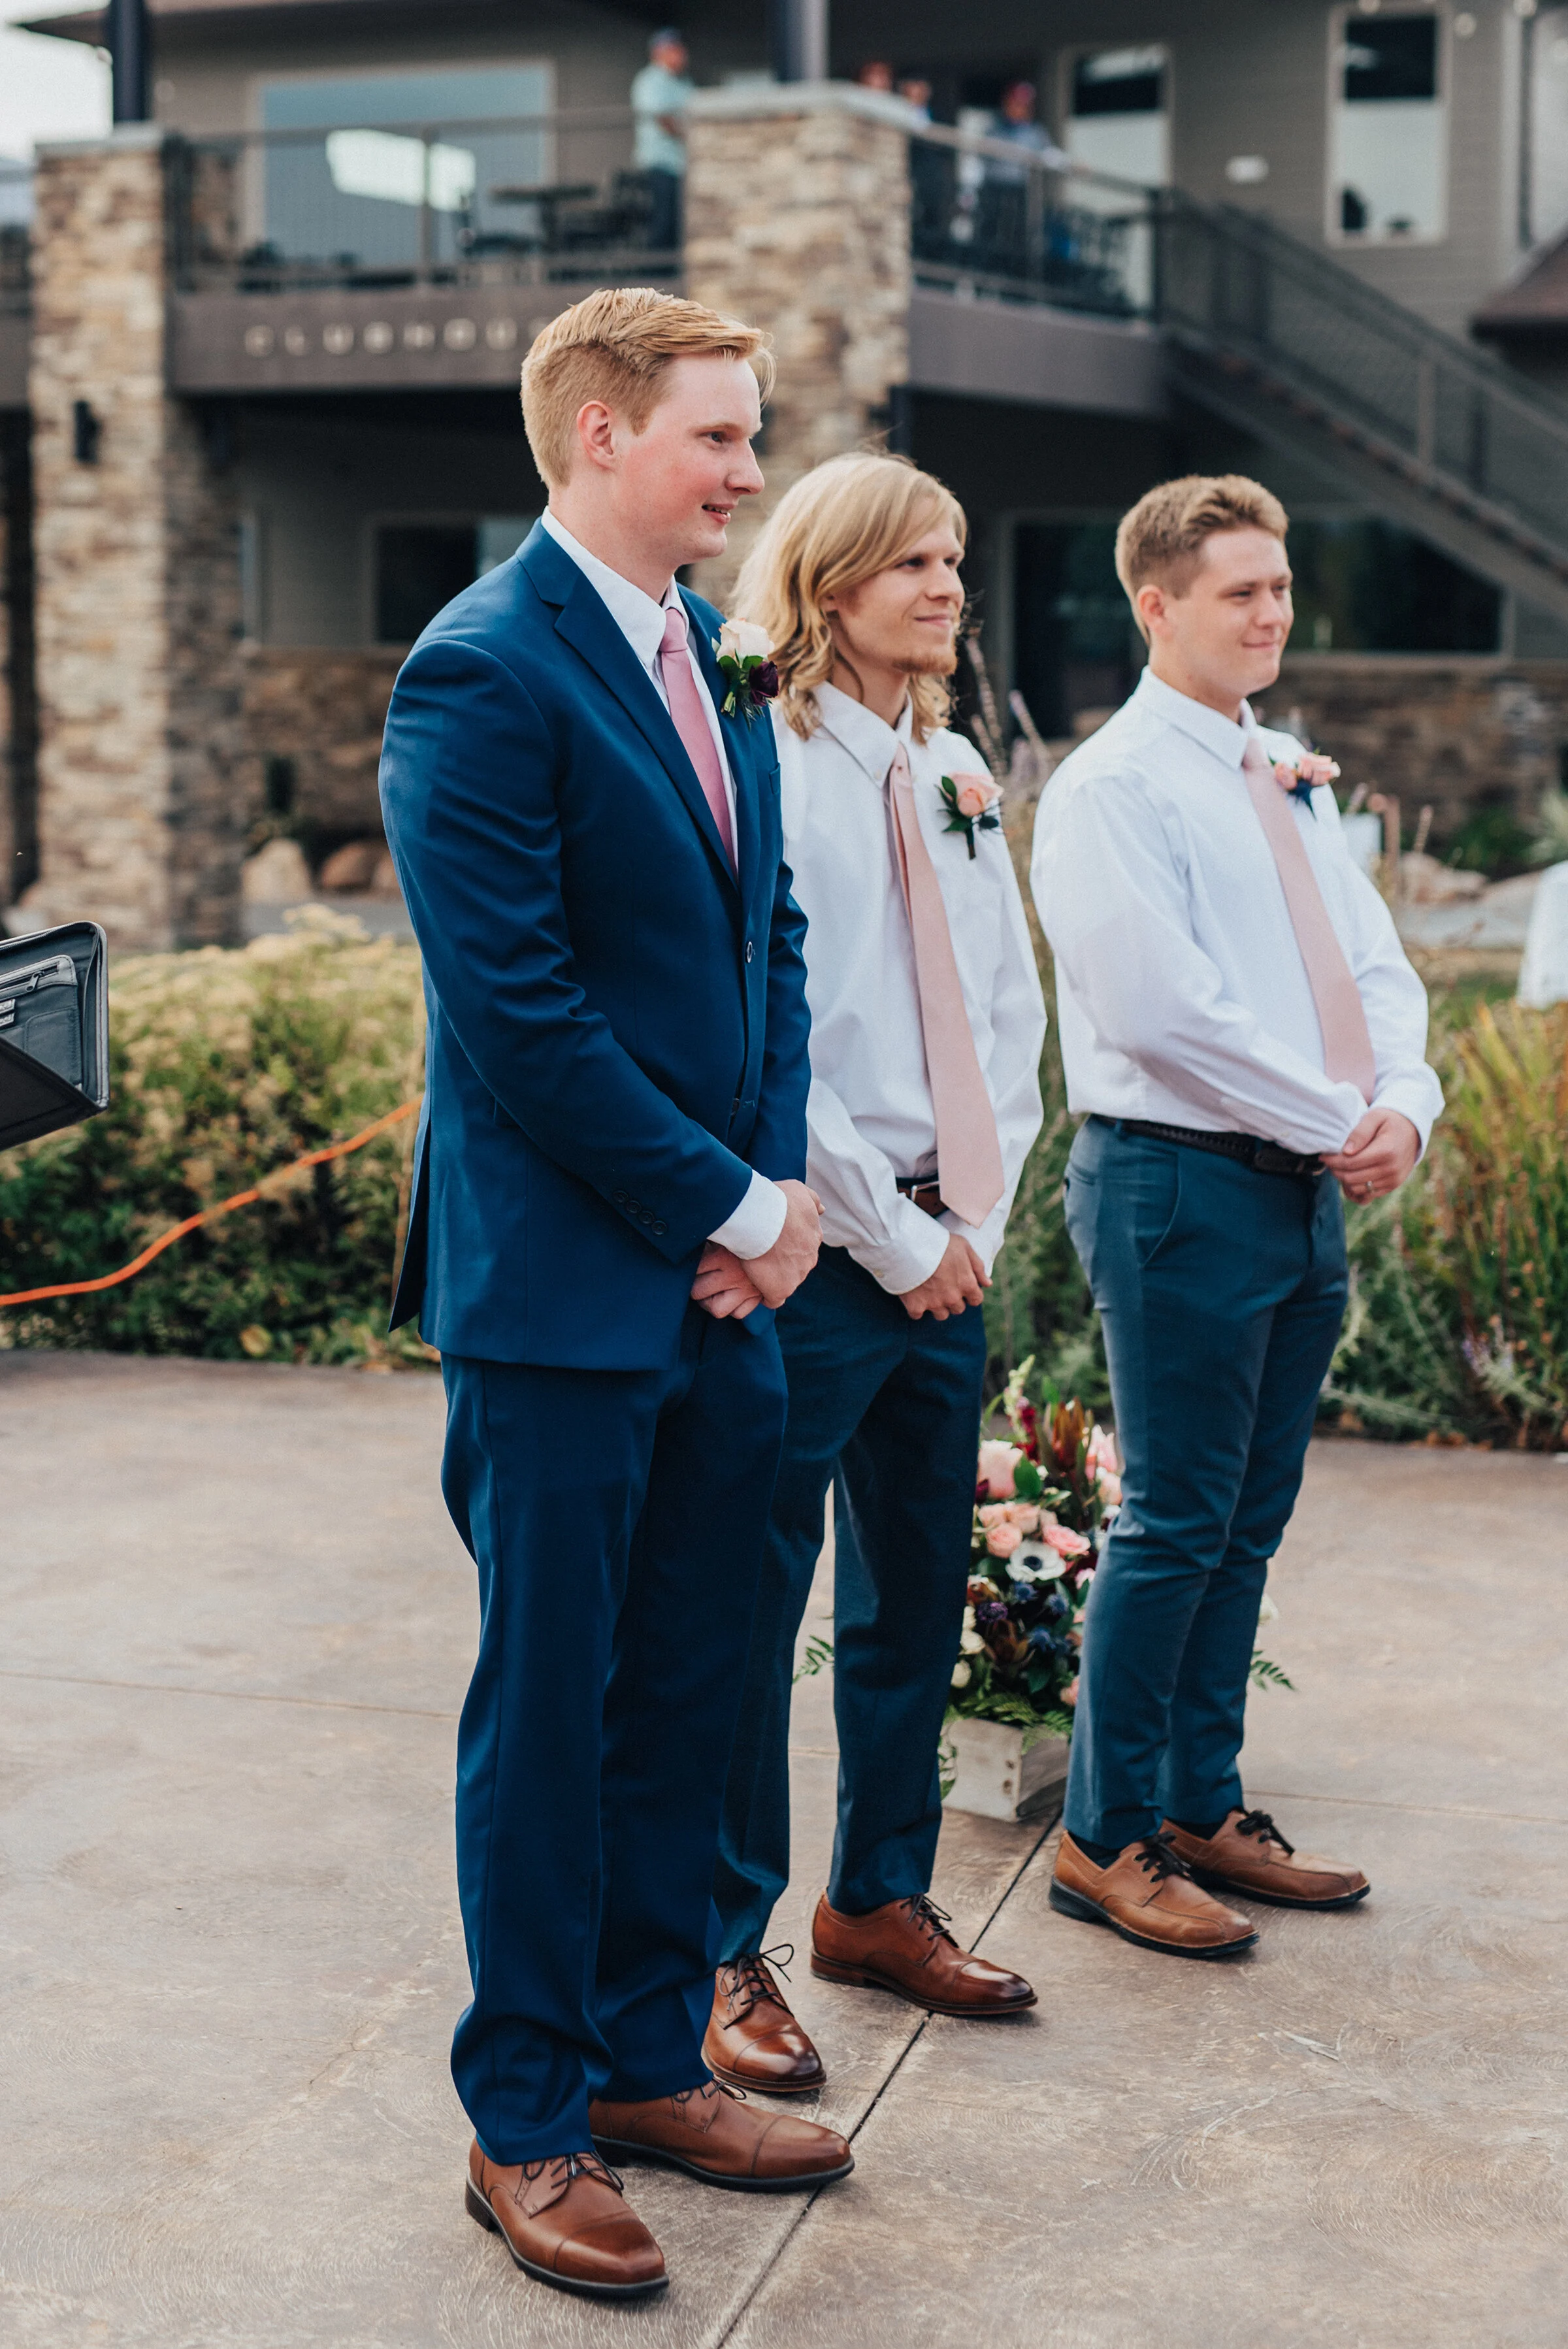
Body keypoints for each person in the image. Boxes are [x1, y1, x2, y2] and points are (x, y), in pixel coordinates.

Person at [379, 286, 853, 2304]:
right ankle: (528, 2118)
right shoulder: (480, 669)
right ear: (597, 433)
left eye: (749, 435)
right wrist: (722, 1197)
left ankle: (654, 2060)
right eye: (716, 436)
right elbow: (521, 1015)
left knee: (689, 1691)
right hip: (562, 1299)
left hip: (722, 1288)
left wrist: (770, 1198)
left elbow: (770, 940)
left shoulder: (710, 652)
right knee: (553, 1713)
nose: (749, 472)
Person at [1031, 475, 1443, 1960]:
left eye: (1279, 588)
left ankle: (1200, 1801)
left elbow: (1371, 960)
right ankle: (1102, 1836)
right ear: (1156, 606)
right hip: (1177, 1181)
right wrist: (1338, 1118)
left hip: (1295, 1185)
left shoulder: (1281, 772)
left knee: (1245, 1524)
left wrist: (1403, 1101)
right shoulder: (1111, 789)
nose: (1271, 613)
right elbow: (1164, 1011)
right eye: (1239, 592)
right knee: (1173, 1518)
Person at [706, 453, 1047, 2096]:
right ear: (828, 583)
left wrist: (975, 1222)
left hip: (946, 1250)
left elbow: (1007, 1013)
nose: (944, 586)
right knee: (745, 1606)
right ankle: (721, 1945)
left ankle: (876, 1898)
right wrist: (895, 1240)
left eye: (953, 557)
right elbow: (780, 1045)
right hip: (822, 1257)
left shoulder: (956, 770)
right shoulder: (762, 762)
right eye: (911, 560)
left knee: (912, 1591)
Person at [978, 80, 1065, 278]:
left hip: (1019, 190)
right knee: (988, 233)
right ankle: (984, 275)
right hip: (994, 188)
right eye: (1015, 103)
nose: (1019, 109)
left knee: (1018, 236)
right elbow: (982, 156)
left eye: (1024, 105)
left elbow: (1050, 155)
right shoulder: (994, 128)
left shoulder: (1036, 133)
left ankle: (1015, 277)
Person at [631, 29, 694, 254]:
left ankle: (674, 270)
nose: (681, 55)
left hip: (682, 166)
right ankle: (656, 271)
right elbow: (663, 119)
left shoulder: (684, 83)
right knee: (663, 221)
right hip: (659, 164)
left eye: (681, 49)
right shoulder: (650, 80)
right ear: (659, 53)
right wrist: (691, 136)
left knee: (680, 224)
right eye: (674, 50)